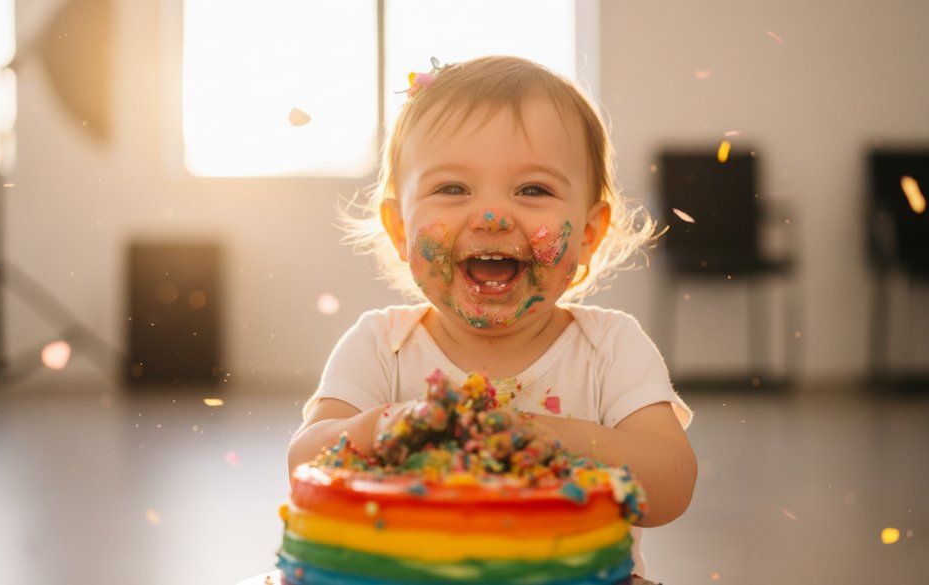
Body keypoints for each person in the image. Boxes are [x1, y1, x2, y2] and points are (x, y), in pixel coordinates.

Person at [287, 55, 696, 577]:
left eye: (533, 190)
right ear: (399, 228)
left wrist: (547, 439)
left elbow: (674, 482)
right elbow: (304, 464)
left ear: (590, 232)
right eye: (452, 189)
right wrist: (387, 426)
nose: (492, 216)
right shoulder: (380, 346)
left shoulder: (610, 349)